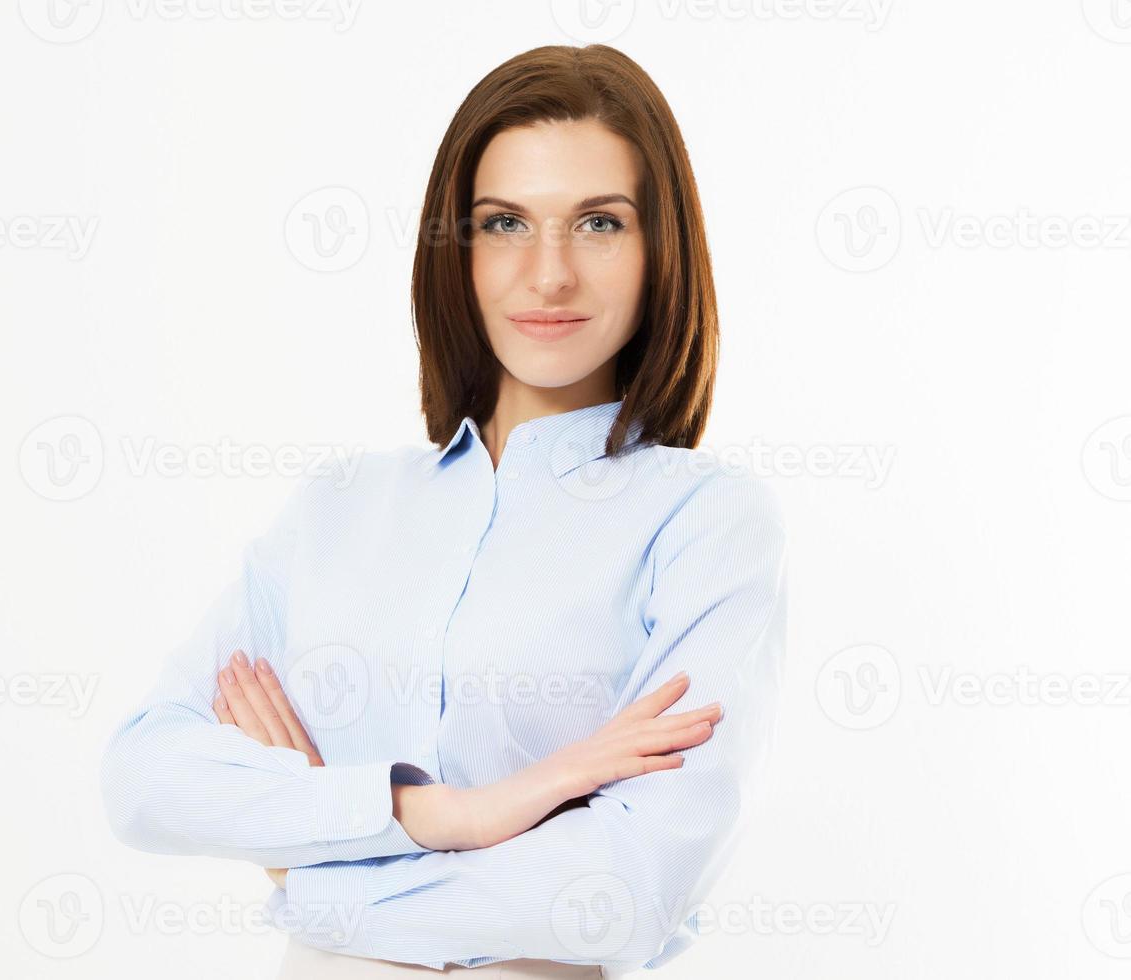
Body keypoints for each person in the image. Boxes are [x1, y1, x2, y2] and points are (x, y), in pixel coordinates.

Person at [100, 43, 788, 978]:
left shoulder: (706, 523)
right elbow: (145, 777)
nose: (548, 275)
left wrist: (305, 863)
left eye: (598, 222)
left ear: (660, 247)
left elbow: (621, 893)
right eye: (504, 223)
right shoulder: (339, 508)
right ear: (454, 250)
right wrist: (433, 811)